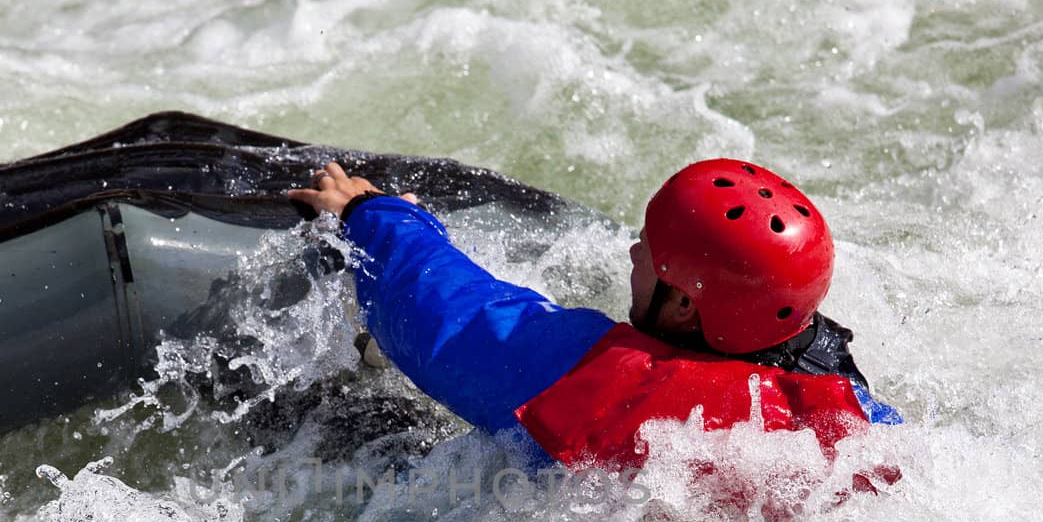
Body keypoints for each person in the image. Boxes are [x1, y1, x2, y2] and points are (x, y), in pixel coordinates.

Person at [287, 158, 900, 475]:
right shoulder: (853, 408)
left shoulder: (615, 383)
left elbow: (452, 320)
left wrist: (370, 215)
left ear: (685, 304)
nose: (634, 251)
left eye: (648, 250)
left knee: (345, 425)